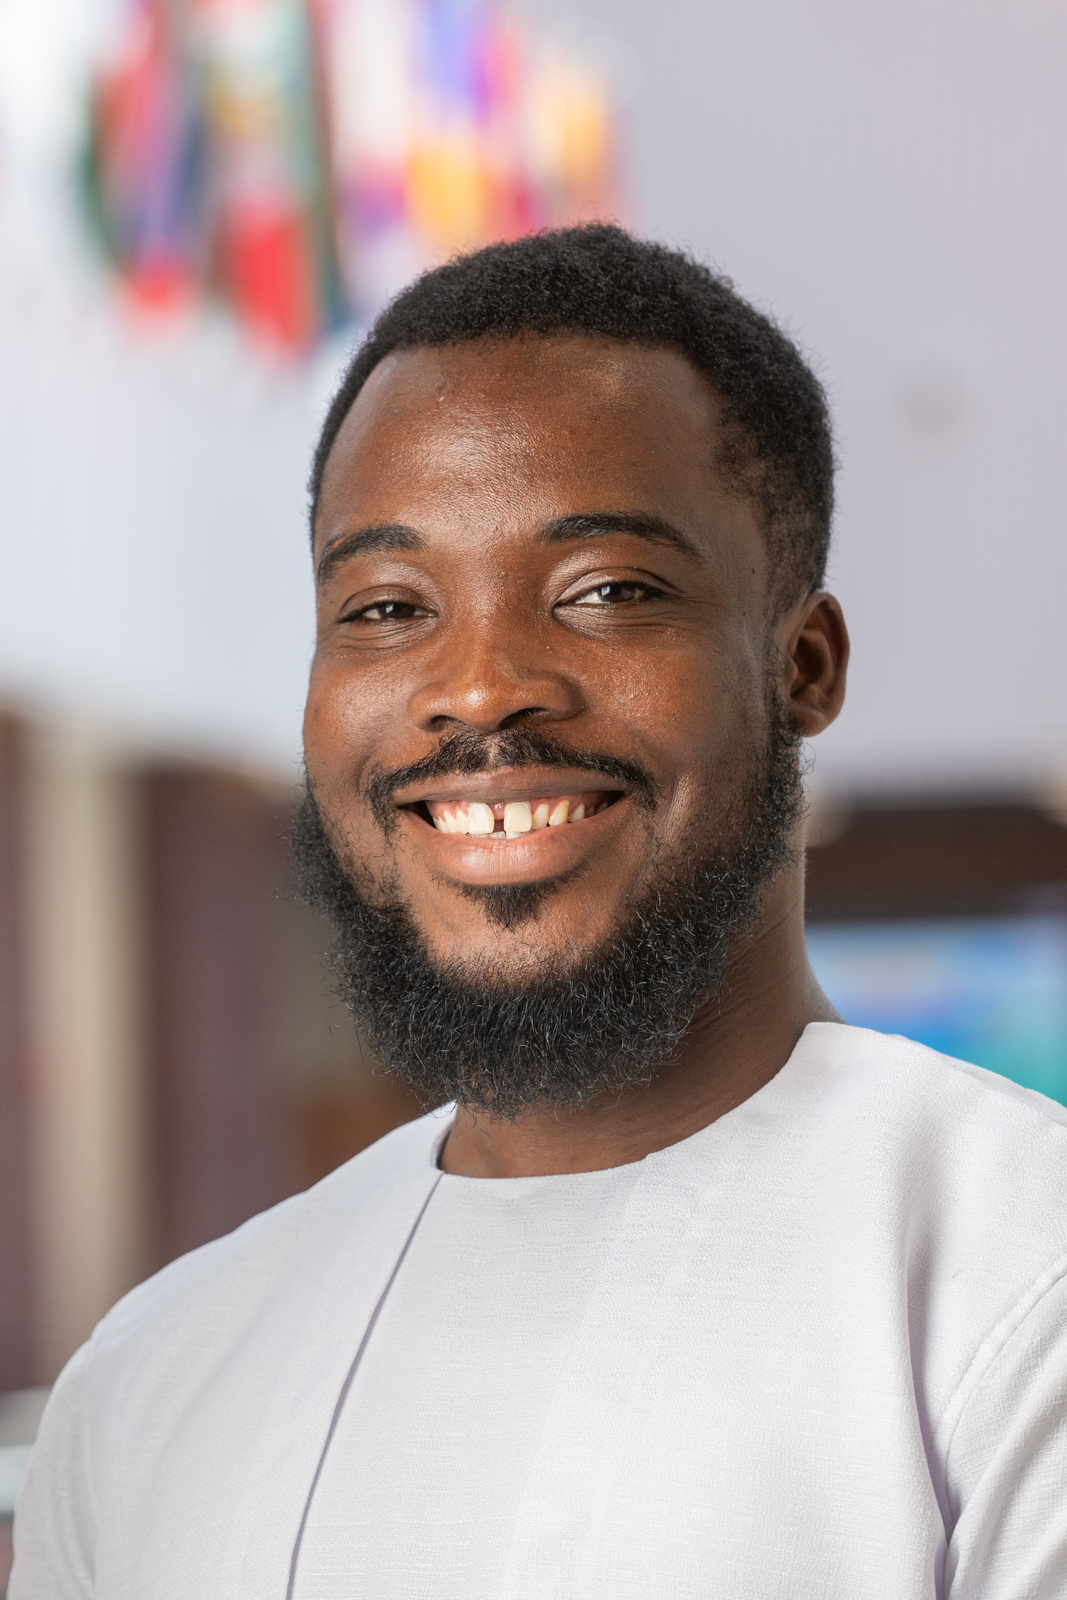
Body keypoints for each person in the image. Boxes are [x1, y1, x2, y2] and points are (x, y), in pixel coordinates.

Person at [12, 225, 1067, 1599]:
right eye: (388, 606)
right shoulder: (156, 1379)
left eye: (607, 592)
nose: (478, 687)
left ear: (801, 666)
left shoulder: (1015, 1281)